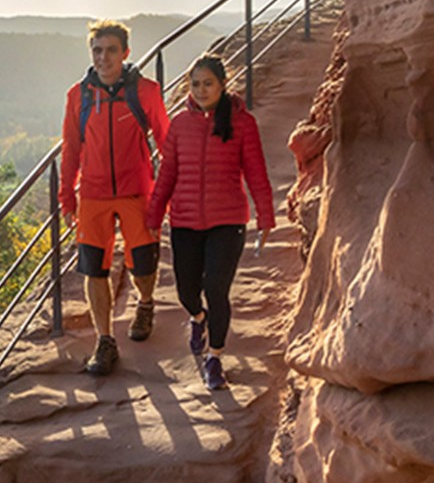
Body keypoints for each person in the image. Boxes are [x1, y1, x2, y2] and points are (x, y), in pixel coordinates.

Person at [146, 53, 275, 391]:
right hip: (185, 221)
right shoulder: (179, 124)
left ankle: (214, 357)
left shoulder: (242, 123)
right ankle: (197, 318)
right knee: (187, 291)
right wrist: (154, 213)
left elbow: (256, 171)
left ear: (222, 85)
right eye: (195, 84)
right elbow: (168, 173)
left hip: (227, 221)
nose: (201, 90)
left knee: (216, 288)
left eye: (208, 84)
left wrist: (265, 214)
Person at [59, 20, 170, 376]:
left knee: (143, 265)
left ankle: (146, 302)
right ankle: (105, 341)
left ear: (125, 53)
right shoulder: (78, 95)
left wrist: (171, 192)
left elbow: (166, 142)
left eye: (110, 50)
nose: (103, 57)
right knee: (95, 269)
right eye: (97, 50)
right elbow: (71, 149)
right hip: (92, 195)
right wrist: (67, 196)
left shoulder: (146, 92)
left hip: (137, 191)